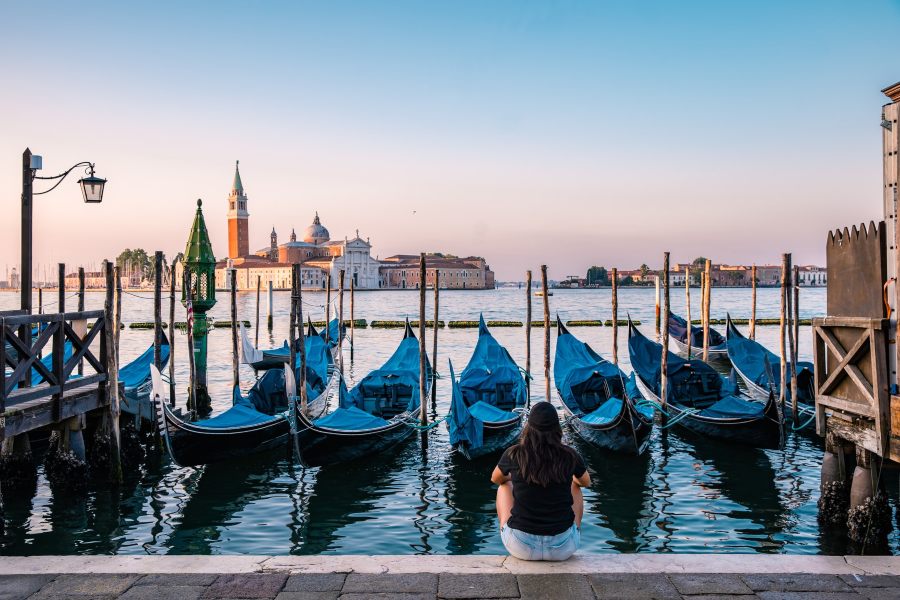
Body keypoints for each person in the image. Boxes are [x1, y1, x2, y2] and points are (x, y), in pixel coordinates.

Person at [491, 401, 590, 561]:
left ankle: (506, 528)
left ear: (528, 428)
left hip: (520, 546)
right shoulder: (570, 455)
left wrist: (516, 477)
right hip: (563, 548)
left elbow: (496, 478)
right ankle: (574, 530)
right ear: (557, 428)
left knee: (504, 486)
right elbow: (586, 482)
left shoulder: (514, 453)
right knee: (575, 484)